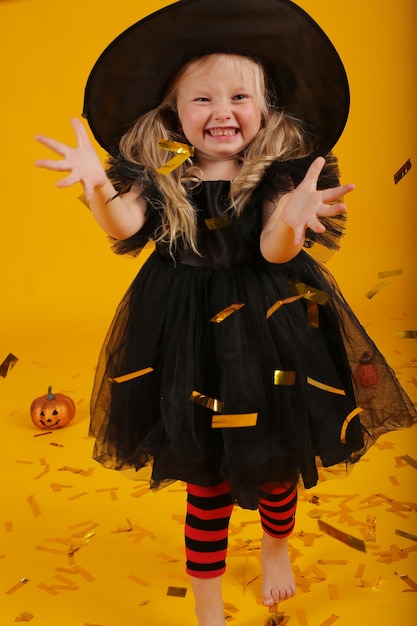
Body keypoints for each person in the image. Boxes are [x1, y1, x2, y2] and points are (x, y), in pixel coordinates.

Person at [35, 1, 416, 624]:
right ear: (174, 113)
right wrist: (96, 189)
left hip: (272, 332)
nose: (222, 112)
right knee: (204, 480)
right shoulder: (160, 178)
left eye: (240, 96)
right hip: (186, 341)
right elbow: (125, 223)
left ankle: (274, 547)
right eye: (202, 99)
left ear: (264, 109)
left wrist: (293, 221)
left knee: (275, 462)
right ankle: (206, 601)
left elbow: (273, 246)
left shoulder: (280, 179)